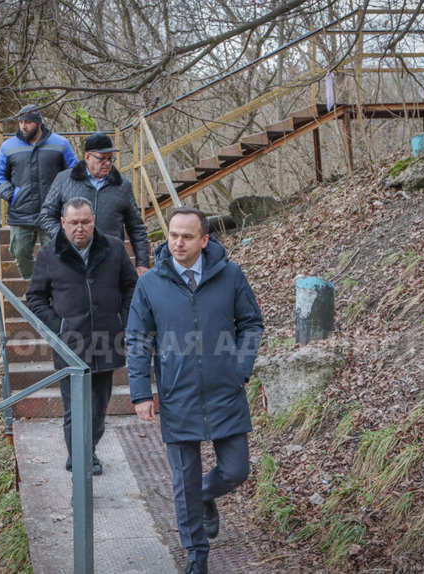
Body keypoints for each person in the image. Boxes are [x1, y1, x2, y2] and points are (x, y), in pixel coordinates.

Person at [126, 206, 264, 574]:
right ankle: (196, 555)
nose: (178, 242)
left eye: (187, 236)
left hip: (225, 391)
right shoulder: (150, 283)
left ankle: (203, 496)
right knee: (183, 478)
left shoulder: (230, 274)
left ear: (204, 240)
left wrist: (240, 367)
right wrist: (140, 392)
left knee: (236, 470)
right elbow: (138, 340)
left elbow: (251, 323)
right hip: (177, 395)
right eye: (173, 234)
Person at [26, 197, 139, 475]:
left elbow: (132, 288)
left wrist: (121, 322)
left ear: (93, 221)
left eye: (86, 222)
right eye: (74, 222)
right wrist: (60, 327)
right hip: (70, 344)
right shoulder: (49, 254)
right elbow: (36, 298)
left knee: (98, 409)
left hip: (107, 339)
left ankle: (88, 450)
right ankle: (79, 458)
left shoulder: (114, 247)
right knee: (74, 409)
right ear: (63, 223)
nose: (80, 228)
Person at [38, 132, 151, 276]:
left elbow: (136, 227)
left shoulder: (123, 186)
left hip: (110, 259)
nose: (108, 163)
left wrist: (142, 263)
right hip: (71, 257)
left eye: (110, 159)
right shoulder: (63, 180)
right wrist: (65, 237)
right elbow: (46, 216)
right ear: (87, 157)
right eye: (102, 159)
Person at [0, 104, 79, 279]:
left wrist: (65, 199)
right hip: (20, 212)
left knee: (58, 253)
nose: (23, 126)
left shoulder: (60, 144)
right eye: (21, 122)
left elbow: (75, 173)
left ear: (38, 123)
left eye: (28, 122)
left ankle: (53, 287)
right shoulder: (9, 146)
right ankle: (34, 284)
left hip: (52, 212)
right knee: (20, 252)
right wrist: (11, 195)